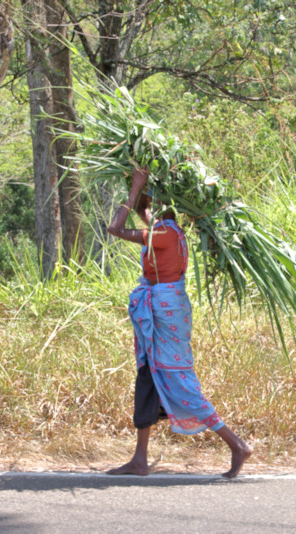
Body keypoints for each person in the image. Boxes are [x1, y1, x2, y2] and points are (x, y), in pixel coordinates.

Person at [106, 167, 252, 479]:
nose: (148, 210)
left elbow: (115, 229)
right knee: (150, 375)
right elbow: (145, 211)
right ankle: (139, 459)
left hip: (164, 310)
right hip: (164, 307)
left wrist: (133, 190)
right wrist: (141, 183)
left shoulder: (164, 234)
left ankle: (237, 444)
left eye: (152, 203)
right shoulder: (170, 229)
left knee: (177, 380)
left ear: (163, 208)